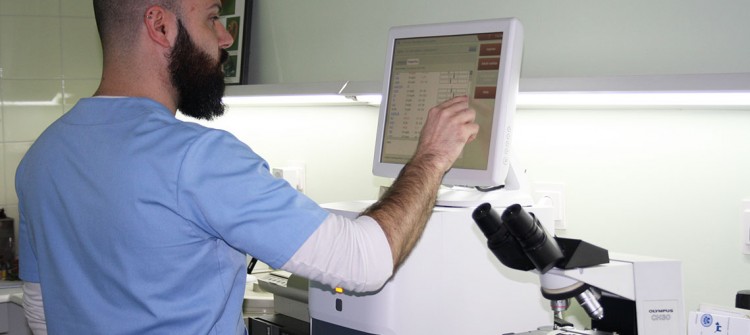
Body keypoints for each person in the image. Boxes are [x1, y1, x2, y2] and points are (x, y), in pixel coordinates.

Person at [15, 0, 479, 334]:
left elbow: (40, 314)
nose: (226, 37)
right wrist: (433, 155)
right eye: (213, 18)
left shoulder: (43, 157)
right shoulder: (197, 158)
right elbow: (365, 261)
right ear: (159, 25)